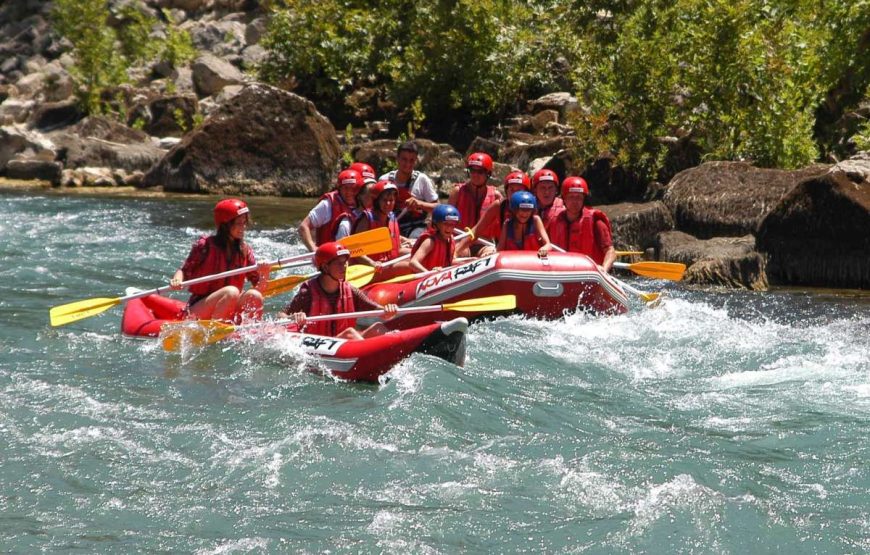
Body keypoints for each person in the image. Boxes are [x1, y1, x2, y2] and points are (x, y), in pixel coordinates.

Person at [170, 198, 271, 321]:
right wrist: (177, 279)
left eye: (244, 223)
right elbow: (184, 270)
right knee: (231, 292)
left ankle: (249, 331)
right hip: (198, 308)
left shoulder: (245, 250)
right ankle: (216, 330)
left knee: (254, 295)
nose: (243, 227)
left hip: (229, 306)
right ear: (225, 225)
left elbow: (260, 289)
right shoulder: (205, 245)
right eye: (238, 223)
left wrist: (265, 273)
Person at [281, 242, 398, 339]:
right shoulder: (308, 292)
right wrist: (294, 317)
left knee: (378, 327)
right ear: (326, 267)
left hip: (345, 342)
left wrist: (388, 310)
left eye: (345, 262)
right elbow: (281, 315)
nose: (345, 267)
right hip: (320, 345)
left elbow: (380, 312)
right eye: (339, 264)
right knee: (350, 333)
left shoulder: (350, 290)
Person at [548, 176, 616, 272]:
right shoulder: (554, 221)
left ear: (584, 199)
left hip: (589, 275)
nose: (575, 202)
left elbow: (611, 251)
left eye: (579, 197)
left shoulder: (596, 222)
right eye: (571, 197)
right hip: (562, 273)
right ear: (564, 199)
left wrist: (604, 269)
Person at [379, 141, 439, 239]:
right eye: (404, 159)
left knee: (416, 238)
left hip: (416, 227)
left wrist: (419, 203)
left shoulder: (422, 179)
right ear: (397, 159)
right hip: (389, 226)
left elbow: (437, 207)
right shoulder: (384, 180)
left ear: (416, 161)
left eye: (412, 160)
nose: (408, 164)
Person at [448, 152, 503, 254]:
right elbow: (445, 220)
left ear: (488, 174)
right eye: (472, 171)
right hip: (459, 240)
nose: (475, 175)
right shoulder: (457, 192)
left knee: (490, 253)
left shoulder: (496, 196)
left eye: (480, 172)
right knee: (462, 253)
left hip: (484, 244)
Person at [298, 169, 364, 250]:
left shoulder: (365, 202)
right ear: (339, 189)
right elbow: (303, 227)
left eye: (352, 188)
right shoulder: (328, 204)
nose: (349, 192)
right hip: (330, 256)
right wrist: (313, 248)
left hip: (356, 252)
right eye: (345, 188)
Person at [469, 170, 531, 256]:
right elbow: (476, 230)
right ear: (506, 191)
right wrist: (457, 250)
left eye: (519, 190)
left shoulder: (535, 210)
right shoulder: (500, 206)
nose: (514, 194)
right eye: (511, 190)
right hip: (505, 254)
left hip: (531, 255)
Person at [409, 204, 472, 272]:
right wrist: (429, 274)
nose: (449, 227)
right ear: (436, 224)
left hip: (439, 275)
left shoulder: (449, 240)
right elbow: (413, 263)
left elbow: (450, 262)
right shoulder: (430, 242)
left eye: (452, 224)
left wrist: (471, 261)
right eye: (445, 224)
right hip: (425, 277)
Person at [497, 191, 552, 257]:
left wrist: (543, 250)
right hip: (513, 264)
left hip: (534, 261)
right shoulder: (507, 224)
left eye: (528, 210)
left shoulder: (536, 220)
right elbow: (499, 249)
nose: (525, 213)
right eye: (522, 210)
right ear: (514, 210)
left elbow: (548, 244)